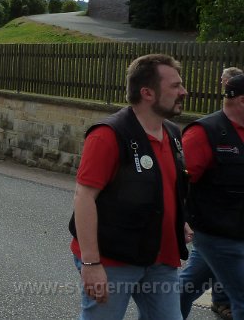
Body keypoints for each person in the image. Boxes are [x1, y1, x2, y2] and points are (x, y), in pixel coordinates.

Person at [69, 53, 190, 319]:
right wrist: (91, 263)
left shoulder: (172, 133)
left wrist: (178, 221)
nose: (184, 91)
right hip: (113, 260)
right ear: (147, 92)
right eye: (175, 86)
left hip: (161, 259)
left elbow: (166, 188)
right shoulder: (108, 135)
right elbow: (84, 197)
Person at [179, 73, 244, 320]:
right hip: (217, 233)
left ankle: (162, 313)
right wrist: (181, 220)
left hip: (236, 231)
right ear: (241, 101)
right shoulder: (204, 133)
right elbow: (178, 183)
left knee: (186, 289)